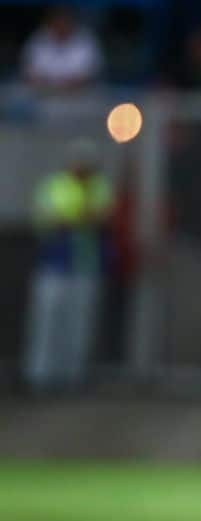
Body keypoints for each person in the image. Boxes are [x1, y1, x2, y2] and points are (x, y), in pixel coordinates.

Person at [25, 139, 112, 391]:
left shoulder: (99, 186)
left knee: (80, 323)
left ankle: (72, 376)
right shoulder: (54, 185)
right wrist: (78, 219)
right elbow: (47, 220)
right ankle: (40, 376)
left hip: (84, 264)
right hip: (53, 264)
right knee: (47, 322)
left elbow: (102, 216)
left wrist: (76, 219)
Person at [21, 5, 102, 93]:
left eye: (64, 21)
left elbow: (90, 75)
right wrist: (53, 86)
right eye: (57, 21)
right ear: (50, 22)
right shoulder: (38, 39)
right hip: (43, 94)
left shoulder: (85, 39)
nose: (61, 25)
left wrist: (63, 86)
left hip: (79, 96)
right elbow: (30, 74)